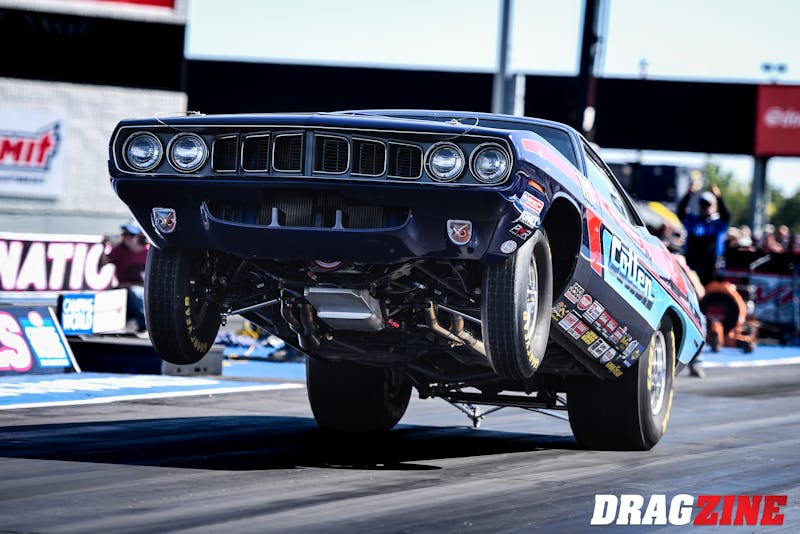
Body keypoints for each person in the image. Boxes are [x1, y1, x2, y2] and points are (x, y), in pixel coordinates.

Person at [676, 182, 731, 378]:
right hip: (690, 274)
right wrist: (689, 193)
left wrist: (719, 197)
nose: (705, 207)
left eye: (708, 204)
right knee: (691, 313)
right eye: (702, 204)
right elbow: (680, 212)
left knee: (702, 315)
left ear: (713, 206)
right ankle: (686, 358)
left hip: (710, 277)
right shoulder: (693, 221)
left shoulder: (717, 224)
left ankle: (698, 359)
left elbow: (727, 216)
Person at [99, 219, 149, 333]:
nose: (126, 238)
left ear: (141, 237)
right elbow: (102, 264)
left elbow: (152, 286)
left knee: (135, 291)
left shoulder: (150, 253)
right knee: (109, 294)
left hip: (144, 295)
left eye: (131, 235)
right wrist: (105, 246)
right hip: (124, 293)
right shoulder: (120, 250)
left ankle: (146, 324)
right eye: (124, 234)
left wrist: (128, 285)